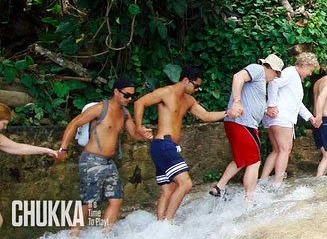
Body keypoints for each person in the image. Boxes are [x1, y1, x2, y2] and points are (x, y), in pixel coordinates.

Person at [57, 76, 151, 234]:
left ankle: (104, 235)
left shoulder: (125, 113)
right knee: (89, 203)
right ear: (116, 91)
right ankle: (73, 234)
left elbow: (134, 134)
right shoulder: (100, 108)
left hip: (108, 162)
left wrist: (146, 135)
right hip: (91, 161)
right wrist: (63, 149)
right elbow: (74, 124)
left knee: (116, 199)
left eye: (132, 96)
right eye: (126, 95)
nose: (129, 98)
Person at [133, 66, 226, 221]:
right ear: (185, 80)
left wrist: (228, 112)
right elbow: (139, 103)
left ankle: (159, 227)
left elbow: (206, 115)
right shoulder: (166, 93)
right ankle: (167, 224)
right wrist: (139, 127)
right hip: (163, 144)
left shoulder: (188, 100)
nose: (197, 89)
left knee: (168, 190)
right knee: (185, 184)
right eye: (195, 85)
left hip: (167, 147)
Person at [209, 54, 284, 201]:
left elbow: (252, 100)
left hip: (244, 123)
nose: (275, 78)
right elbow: (238, 77)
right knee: (254, 161)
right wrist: (236, 102)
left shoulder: (261, 80)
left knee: (242, 158)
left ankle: (219, 187)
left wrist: (265, 111)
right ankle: (249, 200)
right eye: (276, 74)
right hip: (242, 122)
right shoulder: (257, 69)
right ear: (272, 69)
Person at [260, 52, 320, 186]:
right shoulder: (291, 73)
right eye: (310, 70)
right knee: (285, 150)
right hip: (281, 117)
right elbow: (274, 83)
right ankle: (277, 184)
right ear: (304, 65)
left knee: (276, 150)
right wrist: (271, 105)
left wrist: (310, 118)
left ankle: (262, 182)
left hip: (274, 118)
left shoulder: (294, 77)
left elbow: (297, 103)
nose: (310, 74)